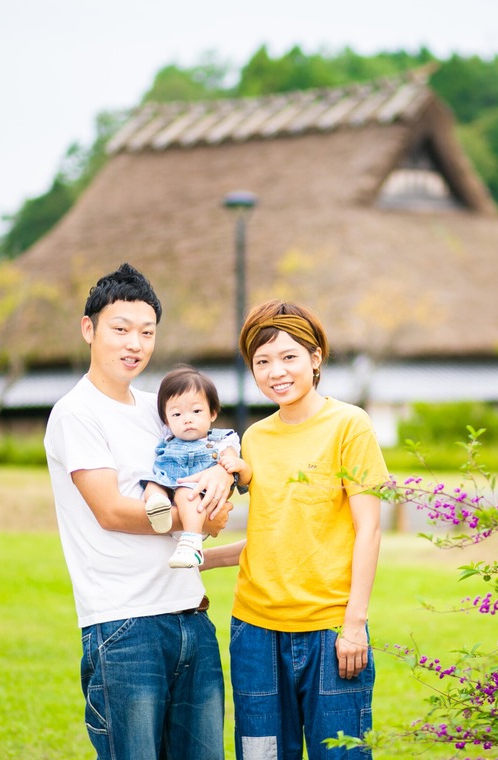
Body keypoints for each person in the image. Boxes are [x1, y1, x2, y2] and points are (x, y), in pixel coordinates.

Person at [43, 262, 236, 760]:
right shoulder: (75, 412)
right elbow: (109, 510)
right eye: (121, 329)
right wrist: (199, 521)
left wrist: (223, 480)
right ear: (90, 329)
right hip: (125, 626)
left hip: (191, 617)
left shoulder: (163, 408)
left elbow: (214, 460)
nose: (135, 343)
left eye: (147, 332)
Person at [203, 299, 389, 759]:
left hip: (330, 632)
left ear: (315, 358)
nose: (275, 372)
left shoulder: (350, 425)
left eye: (288, 357)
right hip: (254, 635)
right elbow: (275, 533)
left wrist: (354, 624)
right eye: (262, 362)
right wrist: (200, 560)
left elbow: (368, 531)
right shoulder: (254, 439)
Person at [141, 364, 252, 569]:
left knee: (186, 493)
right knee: (152, 485)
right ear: (166, 420)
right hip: (169, 485)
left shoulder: (222, 441)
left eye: (196, 411)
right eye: (177, 415)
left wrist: (236, 464)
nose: (187, 419)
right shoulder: (167, 439)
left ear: (212, 413)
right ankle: (159, 509)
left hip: (197, 496)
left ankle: (192, 544)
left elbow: (244, 475)